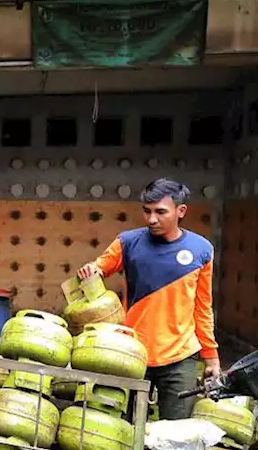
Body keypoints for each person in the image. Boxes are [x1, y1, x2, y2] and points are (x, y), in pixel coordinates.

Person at [78, 177, 219, 421]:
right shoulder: (128, 242)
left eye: (160, 212)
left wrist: (211, 356)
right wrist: (92, 271)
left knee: (176, 434)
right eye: (147, 211)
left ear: (181, 211)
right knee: (122, 428)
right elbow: (99, 267)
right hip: (131, 352)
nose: (152, 219)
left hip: (180, 356)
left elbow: (203, 308)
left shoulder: (201, 249)